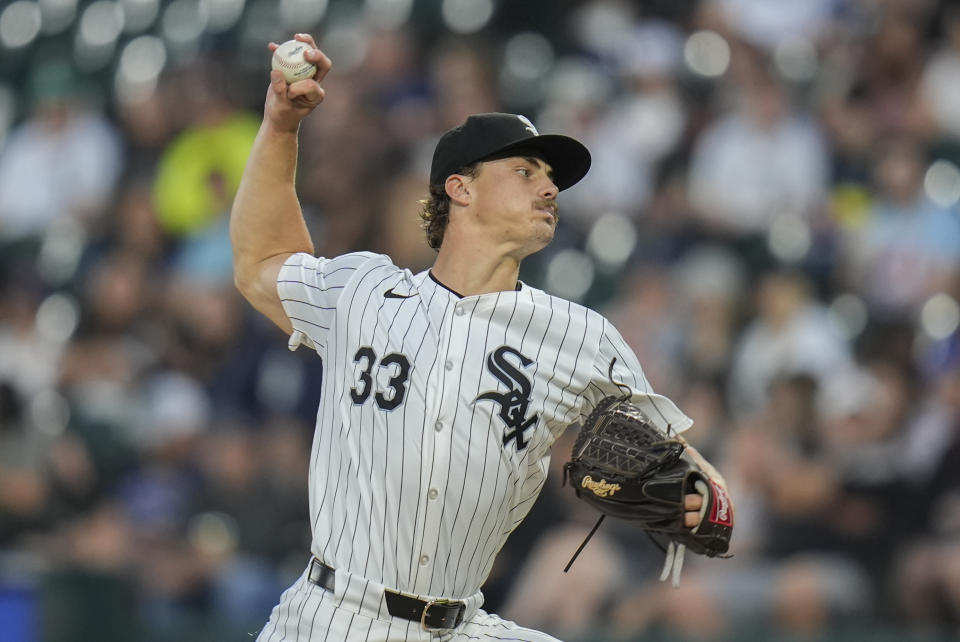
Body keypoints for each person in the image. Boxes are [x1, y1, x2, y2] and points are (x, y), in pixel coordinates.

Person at [230, 33, 729, 642]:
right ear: (459, 189)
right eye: (524, 171)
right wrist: (280, 127)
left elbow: (686, 463)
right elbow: (262, 261)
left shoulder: (579, 336)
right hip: (332, 617)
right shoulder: (364, 291)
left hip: (457, 623)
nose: (549, 189)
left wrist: (704, 497)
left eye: (550, 178)